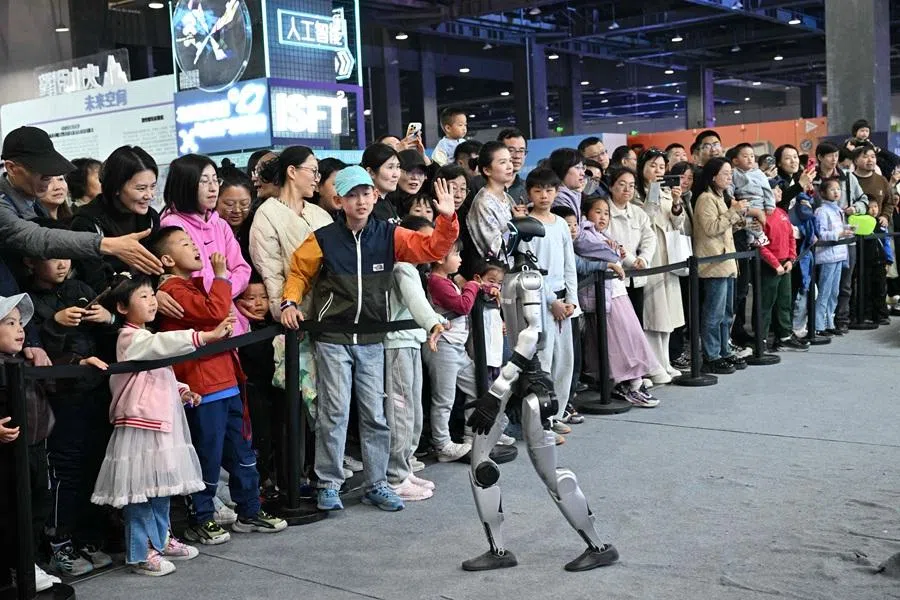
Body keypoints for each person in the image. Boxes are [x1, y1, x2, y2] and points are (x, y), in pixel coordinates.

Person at [280, 166, 459, 512]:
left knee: (375, 413)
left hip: (373, 338)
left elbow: (430, 249)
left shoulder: (390, 236)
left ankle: (378, 482)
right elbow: (299, 273)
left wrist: (447, 219)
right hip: (332, 337)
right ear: (338, 201)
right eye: (352, 195)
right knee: (334, 411)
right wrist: (289, 302)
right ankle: (328, 483)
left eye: (365, 193)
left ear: (375, 196)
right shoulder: (322, 239)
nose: (360, 201)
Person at [91, 274, 233, 576]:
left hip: (161, 422)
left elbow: (160, 370)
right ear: (122, 306)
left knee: (159, 488)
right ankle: (141, 552)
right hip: (140, 426)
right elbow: (160, 345)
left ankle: (162, 539)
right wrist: (204, 336)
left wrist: (182, 389)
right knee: (141, 491)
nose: (152, 300)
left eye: (152, 295)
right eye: (143, 296)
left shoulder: (145, 338)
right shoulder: (130, 337)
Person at [152, 226, 286, 545]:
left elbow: (217, 313)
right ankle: (201, 518)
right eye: (185, 243)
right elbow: (214, 312)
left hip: (226, 380)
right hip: (202, 385)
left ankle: (250, 510)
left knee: (242, 451)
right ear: (167, 259)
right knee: (207, 455)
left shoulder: (193, 285)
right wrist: (222, 276)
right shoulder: (172, 289)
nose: (194, 246)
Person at [22, 227, 116, 577]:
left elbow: (113, 330)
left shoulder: (80, 289)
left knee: (96, 462)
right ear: (31, 261)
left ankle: (88, 536)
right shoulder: (27, 300)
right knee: (65, 470)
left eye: (66, 255)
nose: (62, 263)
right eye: (52, 256)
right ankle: (59, 542)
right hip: (59, 398)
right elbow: (30, 347)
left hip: (95, 390)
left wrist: (107, 318)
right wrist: (55, 324)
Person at [0, 131, 161, 301]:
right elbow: (37, 238)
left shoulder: (32, 198)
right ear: (12, 168)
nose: (50, 182)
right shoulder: (6, 205)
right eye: (45, 176)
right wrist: (105, 244)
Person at [0, 294, 67, 592]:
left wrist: (80, 361)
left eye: (20, 323)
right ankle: (15, 569)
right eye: (9, 322)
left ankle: (27, 563)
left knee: (37, 506)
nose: (20, 329)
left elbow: (55, 370)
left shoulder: (23, 361)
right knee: (10, 512)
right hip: (6, 456)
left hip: (35, 447)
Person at [573, 195, 660, 407]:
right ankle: (629, 385)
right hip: (605, 296)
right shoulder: (584, 234)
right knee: (620, 342)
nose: (603, 217)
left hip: (614, 293)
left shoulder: (600, 234)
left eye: (606, 213)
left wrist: (615, 248)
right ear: (586, 214)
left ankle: (631, 383)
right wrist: (615, 250)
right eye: (598, 212)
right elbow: (606, 253)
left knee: (627, 339)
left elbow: (614, 253)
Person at [384, 216, 446, 499]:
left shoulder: (410, 269)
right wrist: (433, 322)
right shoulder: (401, 268)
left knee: (413, 409)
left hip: (409, 342)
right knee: (401, 410)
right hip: (396, 345)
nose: (427, 245)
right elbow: (416, 303)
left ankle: (405, 467)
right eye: (421, 240)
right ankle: (396, 476)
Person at [160, 154, 252, 335]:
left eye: (215, 180)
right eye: (204, 182)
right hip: (200, 325)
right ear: (185, 185)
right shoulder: (172, 225)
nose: (213, 188)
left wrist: (223, 292)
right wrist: (222, 286)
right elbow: (193, 278)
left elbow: (242, 268)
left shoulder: (220, 224)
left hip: (231, 319)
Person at [249, 146, 332, 319]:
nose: (317, 179)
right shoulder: (267, 214)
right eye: (313, 171)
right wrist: (286, 310)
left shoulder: (320, 214)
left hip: (329, 312)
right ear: (292, 171)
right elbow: (271, 273)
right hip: (294, 316)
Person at [69, 145, 164, 295]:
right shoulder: (86, 222)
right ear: (116, 187)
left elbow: (158, 270)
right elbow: (96, 283)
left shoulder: (150, 218)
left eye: (152, 186)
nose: (149, 195)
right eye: (141, 188)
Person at [526, 167, 579, 437]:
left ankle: (556, 414)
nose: (544, 195)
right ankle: (541, 423)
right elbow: (530, 270)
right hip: (539, 302)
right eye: (538, 190)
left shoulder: (559, 224)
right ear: (529, 194)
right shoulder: (526, 225)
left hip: (563, 300)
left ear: (557, 192)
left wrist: (571, 300)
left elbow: (570, 264)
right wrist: (551, 301)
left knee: (565, 361)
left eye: (549, 190)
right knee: (543, 363)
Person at [424, 240, 482, 461]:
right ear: (440, 259)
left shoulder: (448, 281)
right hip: (443, 346)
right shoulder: (437, 282)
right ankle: (442, 445)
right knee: (443, 399)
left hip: (457, 348)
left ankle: (471, 434)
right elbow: (463, 305)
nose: (460, 259)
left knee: (477, 386)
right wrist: (473, 286)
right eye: (456, 255)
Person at [692, 158, 749, 374]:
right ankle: (711, 355)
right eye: (725, 173)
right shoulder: (705, 199)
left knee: (726, 312)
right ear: (713, 175)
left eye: (730, 173)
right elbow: (710, 228)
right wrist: (732, 211)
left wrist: (738, 216)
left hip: (726, 262)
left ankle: (724, 350)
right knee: (713, 313)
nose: (729, 177)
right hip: (713, 264)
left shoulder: (721, 198)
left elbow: (724, 229)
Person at [633, 149, 686, 378]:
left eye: (662, 167)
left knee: (670, 313)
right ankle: (654, 365)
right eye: (653, 166)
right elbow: (646, 217)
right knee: (654, 314)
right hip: (650, 257)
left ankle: (665, 361)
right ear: (642, 168)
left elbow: (678, 222)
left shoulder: (666, 192)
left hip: (669, 257)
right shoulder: (635, 193)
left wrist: (676, 203)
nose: (658, 171)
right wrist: (654, 190)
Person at [605, 166, 657, 333]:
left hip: (637, 276)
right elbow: (607, 240)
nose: (627, 189)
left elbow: (650, 237)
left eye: (632, 185)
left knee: (637, 324)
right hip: (614, 278)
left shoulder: (638, 212)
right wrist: (631, 261)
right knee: (618, 327)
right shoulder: (603, 210)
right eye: (622, 184)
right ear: (611, 186)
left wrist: (643, 259)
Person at [757, 187, 809, 352]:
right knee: (765, 304)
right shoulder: (761, 215)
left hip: (785, 265)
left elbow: (790, 237)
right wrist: (775, 264)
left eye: (780, 189)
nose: (780, 192)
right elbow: (759, 244)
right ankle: (761, 340)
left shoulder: (782, 212)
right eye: (775, 190)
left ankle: (784, 337)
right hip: (769, 266)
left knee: (784, 302)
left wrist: (791, 259)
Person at [466, 142, 521, 266]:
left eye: (510, 161)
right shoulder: (483, 203)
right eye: (502, 162)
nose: (509, 166)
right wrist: (517, 224)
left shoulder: (507, 197)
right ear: (487, 170)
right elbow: (495, 247)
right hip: (497, 276)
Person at [814, 178, 852, 336]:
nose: (836, 192)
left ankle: (830, 322)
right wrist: (839, 233)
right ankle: (819, 325)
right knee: (825, 292)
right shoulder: (821, 211)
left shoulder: (838, 210)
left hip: (839, 254)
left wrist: (846, 232)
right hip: (827, 256)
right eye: (832, 189)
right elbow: (820, 234)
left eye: (838, 189)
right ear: (823, 193)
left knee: (834, 292)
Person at [730, 143, 775, 247]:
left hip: (757, 201)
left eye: (752, 156)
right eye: (745, 156)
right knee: (743, 221)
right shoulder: (734, 173)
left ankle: (761, 236)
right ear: (736, 161)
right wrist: (731, 197)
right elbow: (730, 187)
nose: (750, 159)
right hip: (743, 201)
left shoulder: (759, 173)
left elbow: (767, 190)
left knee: (750, 222)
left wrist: (770, 205)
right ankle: (752, 240)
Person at [362, 143, 402, 223]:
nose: (396, 174)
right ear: (370, 172)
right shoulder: (366, 207)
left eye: (398, 167)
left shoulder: (387, 200)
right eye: (390, 167)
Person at [548, 148, 586, 218]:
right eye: (577, 167)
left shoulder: (574, 193)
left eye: (583, 168)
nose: (582, 173)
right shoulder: (558, 198)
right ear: (562, 169)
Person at [497, 128, 528, 205]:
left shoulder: (528, 188)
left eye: (521, 151)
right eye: (511, 150)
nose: (517, 156)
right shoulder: (479, 185)